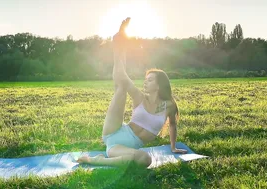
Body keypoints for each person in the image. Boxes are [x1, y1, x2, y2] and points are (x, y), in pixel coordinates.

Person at [77, 18, 187, 168]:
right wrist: (120, 45)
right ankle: (118, 42)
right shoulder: (140, 97)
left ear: (159, 85)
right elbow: (122, 76)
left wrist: (173, 147)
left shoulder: (169, 105)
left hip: (119, 148)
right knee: (121, 86)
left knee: (145, 159)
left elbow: (173, 125)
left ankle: (98, 159)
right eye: (145, 79)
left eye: (150, 80)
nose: (145, 82)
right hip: (114, 131)